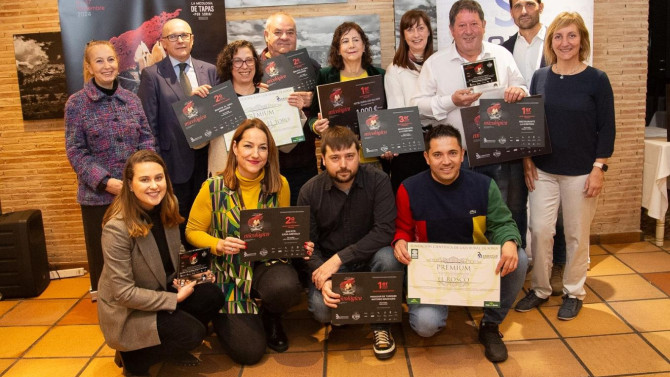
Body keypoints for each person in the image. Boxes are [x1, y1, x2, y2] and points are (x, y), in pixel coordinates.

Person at [391, 124, 528, 363]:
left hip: (474, 267)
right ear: (426, 157)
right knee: (425, 326)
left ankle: (490, 324)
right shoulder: (409, 188)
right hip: (432, 273)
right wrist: (400, 241)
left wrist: (508, 241)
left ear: (463, 154)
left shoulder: (484, 185)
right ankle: (438, 305)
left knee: (521, 257)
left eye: (452, 153)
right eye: (437, 154)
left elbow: (502, 222)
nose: (446, 161)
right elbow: (402, 228)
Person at [514, 12, 615, 320]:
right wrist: (527, 159)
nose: (565, 42)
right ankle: (541, 289)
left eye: (571, 36)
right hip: (544, 171)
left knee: (575, 234)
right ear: (551, 42)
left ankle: (573, 291)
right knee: (541, 231)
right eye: (558, 36)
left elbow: (607, 128)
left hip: (582, 173)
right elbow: (530, 122)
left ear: (582, 40)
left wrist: (599, 168)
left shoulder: (596, 79)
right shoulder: (540, 77)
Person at [186, 119, 312, 364]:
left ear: (269, 152)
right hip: (229, 272)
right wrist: (218, 244)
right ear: (234, 148)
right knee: (250, 353)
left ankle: (271, 315)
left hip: (267, 264)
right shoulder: (213, 187)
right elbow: (192, 230)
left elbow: (285, 230)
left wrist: (299, 244)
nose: (255, 154)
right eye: (248, 146)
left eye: (263, 148)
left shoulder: (279, 185)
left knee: (285, 287)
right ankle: (229, 316)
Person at [411, 0, 528, 263]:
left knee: (509, 212)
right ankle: (468, 272)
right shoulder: (436, 63)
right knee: (460, 216)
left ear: (484, 26)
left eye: (474, 24)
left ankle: (512, 266)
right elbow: (416, 107)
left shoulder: (501, 56)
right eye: (461, 25)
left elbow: (521, 86)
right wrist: (451, 100)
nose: (468, 31)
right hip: (455, 159)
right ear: (451, 29)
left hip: (499, 155)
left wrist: (519, 91)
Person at [98, 150, 224, 377]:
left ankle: (164, 345)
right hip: (129, 309)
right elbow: (124, 293)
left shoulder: (169, 203)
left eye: (158, 178)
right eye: (144, 180)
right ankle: (133, 358)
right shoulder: (116, 228)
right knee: (193, 334)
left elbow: (177, 252)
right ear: (129, 184)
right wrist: (174, 298)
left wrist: (195, 273)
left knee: (212, 294)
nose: (154, 186)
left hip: (160, 286)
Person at [297, 126, 399, 360]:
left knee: (388, 257)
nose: (343, 164)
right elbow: (306, 245)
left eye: (349, 156)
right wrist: (326, 279)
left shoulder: (379, 180)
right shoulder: (309, 191)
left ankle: (381, 324)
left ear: (358, 154)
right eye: (335, 158)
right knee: (321, 309)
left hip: (371, 258)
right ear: (323, 159)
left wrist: (339, 258)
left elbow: (385, 230)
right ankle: (347, 311)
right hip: (333, 268)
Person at [65, 40, 156, 298]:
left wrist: (140, 178)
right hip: (98, 198)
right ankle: (110, 311)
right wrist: (106, 182)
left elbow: (146, 140)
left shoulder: (131, 99)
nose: (107, 66)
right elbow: (75, 151)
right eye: (99, 61)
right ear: (89, 67)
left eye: (111, 60)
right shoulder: (76, 104)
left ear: (118, 62)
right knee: (105, 258)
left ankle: (140, 302)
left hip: (136, 193)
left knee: (139, 254)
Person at [503, 0, 567, 295]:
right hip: (518, 140)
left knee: (560, 210)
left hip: (555, 138)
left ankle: (559, 263)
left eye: (530, 3)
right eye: (518, 5)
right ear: (511, 11)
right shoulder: (503, 49)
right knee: (517, 204)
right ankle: (523, 263)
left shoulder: (556, 42)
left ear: (540, 6)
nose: (524, 10)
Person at [138, 18, 219, 246]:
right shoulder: (152, 75)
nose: (180, 40)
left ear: (192, 39)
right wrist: (156, 167)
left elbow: (221, 112)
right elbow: (148, 126)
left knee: (206, 219)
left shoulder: (210, 71)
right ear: (163, 42)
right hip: (173, 164)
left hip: (207, 161)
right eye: (173, 36)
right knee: (177, 221)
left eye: (184, 35)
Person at [209, 40, 305, 178]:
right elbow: (197, 145)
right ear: (228, 65)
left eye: (249, 60)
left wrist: (296, 112)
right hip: (224, 179)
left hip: (263, 180)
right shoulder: (215, 100)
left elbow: (287, 146)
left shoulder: (270, 97)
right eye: (237, 61)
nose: (245, 66)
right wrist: (199, 107)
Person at [261, 12, 321, 206]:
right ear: (266, 35)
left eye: (290, 32)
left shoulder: (311, 67)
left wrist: (313, 101)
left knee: (301, 224)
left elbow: (323, 112)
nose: (285, 37)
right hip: (263, 166)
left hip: (303, 164)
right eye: (278, 32)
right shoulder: (252, 69)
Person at [308, 22, 386, 168]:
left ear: (364, 46)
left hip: (374, 160)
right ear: (338, 50)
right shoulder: (325, 76)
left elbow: (388, 115)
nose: (351, 45)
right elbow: (312, 117)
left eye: (356, 40)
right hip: (338, 160)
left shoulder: (380, 75)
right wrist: (316, 126)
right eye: (345, 41)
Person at [383, 9, 435, 192]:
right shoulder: (394, 70)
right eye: (410, 29)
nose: (416, 35)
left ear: (429, 31)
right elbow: (396, 112)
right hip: (409, 146)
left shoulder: (439, 63)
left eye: (421, 28)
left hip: (438, 142)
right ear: (403, 36)